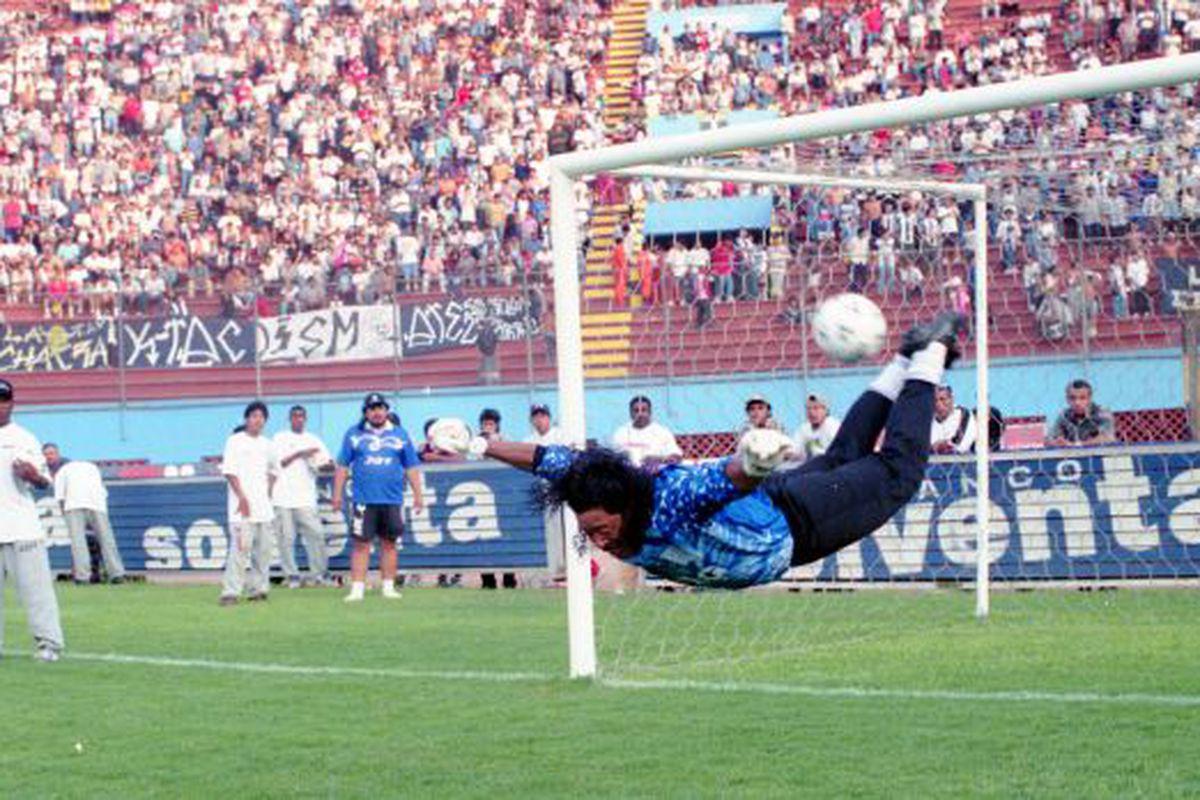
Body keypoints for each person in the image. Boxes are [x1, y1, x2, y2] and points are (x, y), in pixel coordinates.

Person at [431, 314, 964, 589]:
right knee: (847, 451)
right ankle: (906, 358)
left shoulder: (672, 499)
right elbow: (548, 461)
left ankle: (931, 351)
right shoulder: (599, 488)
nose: (596, 541)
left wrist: (753, 463)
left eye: (598, 530)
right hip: (770, 513)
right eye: (590, 532)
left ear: (625, 508)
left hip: (790, 528)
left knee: (898, 473)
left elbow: (725, 478)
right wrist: (480, 443)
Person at [332, 393, 424, 602]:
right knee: (360, 544)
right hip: (363, 499)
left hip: (391, 499)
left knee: (389, 543)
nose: (376, 412)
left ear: (387, 410)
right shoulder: (353, 434)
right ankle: (357, 588)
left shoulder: (400, 434)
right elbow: (343, 466)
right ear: (366, 412)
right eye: (372, 408)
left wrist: (418, 494)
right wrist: (337, 495)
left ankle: (388, 587)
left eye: (380, 408)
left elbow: (411, 466)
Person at [0, 379, 65, 661]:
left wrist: (31, 475)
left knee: (36, 591)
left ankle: (48, 644)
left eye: (3, 401)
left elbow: (44, 482)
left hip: (21, 526)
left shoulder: (25, 438)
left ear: (12, 403)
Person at [219, 401, 280, 606]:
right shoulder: (235, 441)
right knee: (239, 551)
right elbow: (229, 471)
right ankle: (230, 592)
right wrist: (242, 497)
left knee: (263, 553)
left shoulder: (268, 444)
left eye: (262, 417)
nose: (258, 420)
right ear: (246, 419)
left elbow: (274, 470)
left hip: (263, 508)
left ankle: (259, 589)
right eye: (254, 416)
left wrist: (268, 493)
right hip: (241, 508)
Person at [43, 443, 126, 585]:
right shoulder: (88, 468)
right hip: (97, 503)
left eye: (51, 454)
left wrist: (65, 515)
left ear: (58, 455)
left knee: (78, 542)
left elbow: (60, 497)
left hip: (74, 504)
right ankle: (117, 574)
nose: (48, 457)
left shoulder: (61, 471)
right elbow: (102, 492)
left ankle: (82, 577)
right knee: (107, 540)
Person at [272, 406, 334, 589]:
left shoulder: (313, 440)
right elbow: (278, 463)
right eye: (295, 416)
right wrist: (300, 454)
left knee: (316, 535)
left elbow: (325, 464)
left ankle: (319, 574)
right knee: (286, 539)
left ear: (305, 419)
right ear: (289, 419)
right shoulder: (280, 438)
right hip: (282, 497)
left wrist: (328, 465)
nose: (298, 419)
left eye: (301, 416)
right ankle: (292, 576)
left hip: (305, 497)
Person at [524, 404, 572, 581]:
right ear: (531, 420)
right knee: (552, 531)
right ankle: (558, 571)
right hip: (542, 488)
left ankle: (574, 567)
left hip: (563, 486)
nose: (539, 419)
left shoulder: (560, 435)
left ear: (549, 417)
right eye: (536, 416)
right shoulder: (529, 440)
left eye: (543, 415)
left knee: (570, 527)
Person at [478, 408, 516, 590]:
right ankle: (487, 579)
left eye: (491, 423)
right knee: (483, 537)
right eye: (485, 423)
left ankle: (509, 577)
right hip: (482, 493)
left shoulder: (505, 440)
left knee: (506, 535)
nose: (488, 426)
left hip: (502, 492)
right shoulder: (476, 441)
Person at [611, 396, 682, 467]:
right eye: (636, 411)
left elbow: (675, 457)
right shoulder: (621, 433)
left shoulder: (662, 432)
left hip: (656, 475)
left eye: (644, 410)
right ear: (631, 414)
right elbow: (612, 457)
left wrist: (659, 459)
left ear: (650, 412)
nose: (640, 414)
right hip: (627, 475)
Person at [1045, 379, 1116, 447]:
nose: (1077, 403)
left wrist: (1077, 445)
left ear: (1089, 398)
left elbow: (1107, 438)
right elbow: (1049, 439)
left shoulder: (1101, 413)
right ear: (1067, 399)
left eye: (1082, 398)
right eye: (1072, 398)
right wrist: (1057, 442)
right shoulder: (1064, 416)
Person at [793, 394, 842, 464]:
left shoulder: (833, 426)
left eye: (816, 408)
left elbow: (838, 453)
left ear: (826, 410)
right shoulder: (804, 429)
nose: (811, 412)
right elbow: (794, 450)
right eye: (808, 409)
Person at [929, 385, 977, 454]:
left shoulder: (964, 414)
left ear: (951, 399)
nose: (938, 404)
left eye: (942, 399)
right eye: (935, 400)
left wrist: (941, 446)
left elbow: (961, 445)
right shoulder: (928, 418)